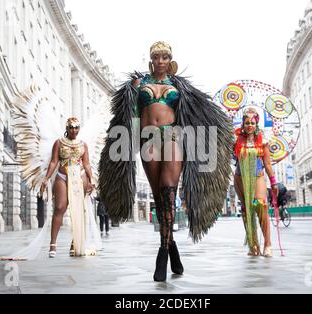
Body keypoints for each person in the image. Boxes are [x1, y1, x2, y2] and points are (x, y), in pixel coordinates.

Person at [99, 41, 233, 282]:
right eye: (156, 57)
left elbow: (198, 112)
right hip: (147, 139)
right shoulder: (138, 84)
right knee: (159, 197)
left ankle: (162, 252)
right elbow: (127, 115)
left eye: (164, 57)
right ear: (151, 60)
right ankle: (172, 247)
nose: (160, 61)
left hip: (173, 135)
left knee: (169, 191)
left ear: (170, 60)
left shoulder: (179, 85)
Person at [40, 117, 96, 258]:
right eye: (71, 127)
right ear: (67, 128)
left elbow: (87, 164)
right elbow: (53, 162)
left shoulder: (83, 144)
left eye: (76, 127)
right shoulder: (59, 143)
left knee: (78, 209)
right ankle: (53, 243)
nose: (74, 130)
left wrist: (91, 179)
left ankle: (75, 242)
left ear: (79, 129)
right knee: (60, 207)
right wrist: (46, 178)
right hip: (62, 176)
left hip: (80, 177)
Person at [233, 108, 279, 258]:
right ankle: (253, 245)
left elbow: (267, 164)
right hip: (240, 177)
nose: (249, 125)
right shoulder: (236, 139)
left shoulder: (262, 140)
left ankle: (268, 244)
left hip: (258, 176)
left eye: (252, 122)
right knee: (246, 210)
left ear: (256, 123)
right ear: (243, 124)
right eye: (247, 122)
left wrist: (273, 183)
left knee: (260, 205)